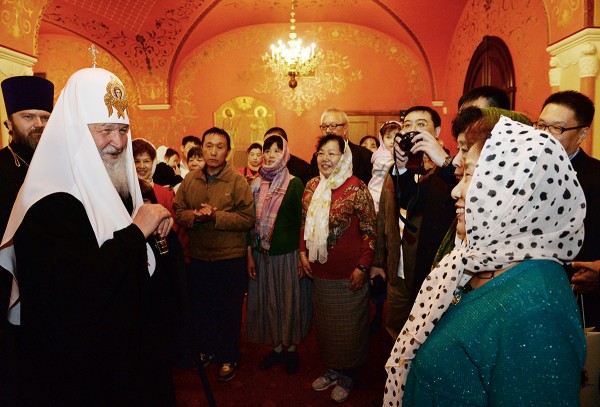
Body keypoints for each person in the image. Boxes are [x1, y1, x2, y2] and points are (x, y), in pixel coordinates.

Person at [0, 67, 176, 405]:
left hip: (128, 355)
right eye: (105, 129)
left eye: (123, 129)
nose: (119, 142)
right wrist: (136, 233)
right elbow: (73, 294)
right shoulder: (47, 202)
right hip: (82, 372)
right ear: (74, 133)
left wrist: (158, 234)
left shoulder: (122, 186)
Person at [384, 116, 587, 406]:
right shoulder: (477, 258)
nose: (456, 190)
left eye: (471, 177)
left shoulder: (536, 311)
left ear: (516, 192)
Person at [173, 127, 255, 382]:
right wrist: (195, 217)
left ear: (228, 152)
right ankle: (207, 349)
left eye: (220, 147)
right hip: (199, 257)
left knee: (229, 311)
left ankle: (229, 356)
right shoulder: (190, 180)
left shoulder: (237, 181)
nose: (213, 151)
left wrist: (216, 216)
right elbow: (178, 210)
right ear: (202, 147)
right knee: (203, 309)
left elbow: (247, 218)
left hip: (229, 258)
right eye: (209, 145)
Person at [300, 134, 376, 403]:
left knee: (351, 330)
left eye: (332, 153)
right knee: (327, 327)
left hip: (350, 274)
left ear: (344, 157)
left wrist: (363, 267)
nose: (326, 158)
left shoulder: (357, 188)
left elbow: (370, 231)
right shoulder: (311, 186)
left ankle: (348, 375)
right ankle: (333, 369)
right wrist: (302, 252)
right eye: (322, 152)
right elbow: (305, 224)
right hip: (321, 273)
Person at [370, 105, 456, 340]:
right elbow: (385, 215)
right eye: (407, 125)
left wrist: (444, 162)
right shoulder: (396, 169)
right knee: (396, 331)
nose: (413, 130)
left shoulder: (453, 169)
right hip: (398, 269)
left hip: (432, 271)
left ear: (437, 130)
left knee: (430, 335)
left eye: (421, 124)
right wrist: (379, 260)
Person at [0, 74, 54, 407]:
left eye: (45, 117)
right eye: (28, 117)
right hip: (9, 284)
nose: (38, 124)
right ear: (9, 123)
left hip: (54, 287)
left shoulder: (60, 167)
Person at [246, 134, 311, 375]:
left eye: (277, 149)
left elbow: (302, 222)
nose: (271, 154)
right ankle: (276, 348)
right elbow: (249, 223)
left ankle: (291, 349)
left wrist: (301, 255)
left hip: (287, 255)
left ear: (285, 153)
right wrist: (249, 255)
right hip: (261, 254)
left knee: (288, 303)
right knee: (269, 302)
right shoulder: (254, 184)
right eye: (267, 150)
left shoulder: (294, 184)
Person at [535, 90, 600, 328]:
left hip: (580, 300)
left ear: (582, 133)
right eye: (541, 125)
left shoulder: (595, 176)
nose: (544, 135)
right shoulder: (522, 173)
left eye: (557, 129)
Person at [307, 108, 373, 184]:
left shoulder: (364, 156)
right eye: (324, 126)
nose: (328, 130)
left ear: (345, 129)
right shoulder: (318, 157)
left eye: (333, 126)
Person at [132, 138, 175, 213]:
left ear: (153, 163)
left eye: (146, 161)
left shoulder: (165, 194)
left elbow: (173, 222)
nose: (142, 166)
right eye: (136, 161)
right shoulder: (123, 192)